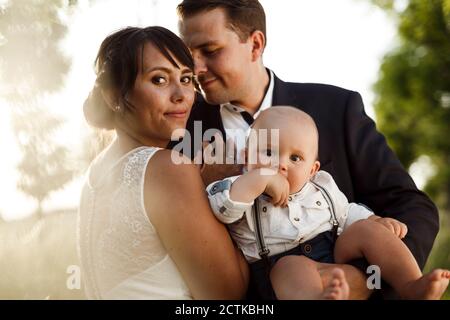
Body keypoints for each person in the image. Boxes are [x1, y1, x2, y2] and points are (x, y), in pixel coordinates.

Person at [175, 0, 439, 299]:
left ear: (255, 44)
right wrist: (205, 186)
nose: (195, 68)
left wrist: (363, 279)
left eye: (210, 51)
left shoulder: (336, 108)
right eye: (188, 55)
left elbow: (412, 207)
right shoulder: (180, 128)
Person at [206, 106, 450, 300]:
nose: (281, 165)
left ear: (312, 170)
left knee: (366, 229)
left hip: (334, 249)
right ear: (247, 156)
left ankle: (411, 285)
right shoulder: (239, 187)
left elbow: (345, 213)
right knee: (291, 267)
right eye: (268, 152)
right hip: (279, 270)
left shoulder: (321, 185)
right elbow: (223, 209)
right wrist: (258, 179)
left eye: (295, 158)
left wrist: (374, 220)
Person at [78, 26, 248, 299]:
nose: (181, 95)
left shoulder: (95, 173)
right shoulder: (167, 168)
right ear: (113, 96)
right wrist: (218, 190)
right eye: (159, 80)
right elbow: (227, 295)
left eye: (186, 78)